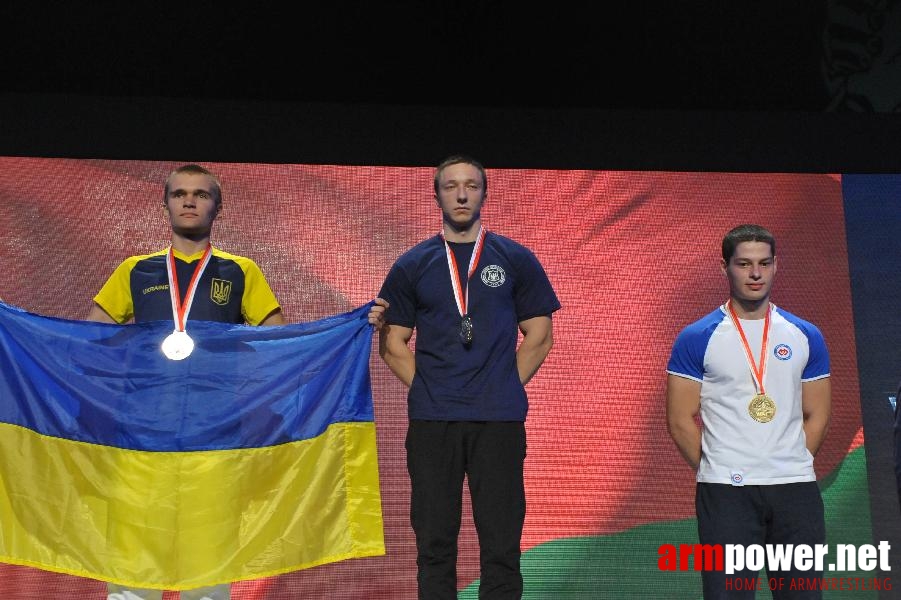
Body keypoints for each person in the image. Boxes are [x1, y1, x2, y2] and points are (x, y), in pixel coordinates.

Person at [88, 164, 284, 600]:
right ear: (165, 204)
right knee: (132, 569)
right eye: (179, 194)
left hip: (213, 439)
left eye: (200, 194)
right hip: (141, 436)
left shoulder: (241, 272)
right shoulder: (135, 271)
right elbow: (91, 341)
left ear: (218, 206)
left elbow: (278, 343)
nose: (189, 201)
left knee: (207, 578)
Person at [372, 154, 560, 599]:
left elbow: (539, 335)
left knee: (501, 545)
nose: (461, 194)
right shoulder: (412, 264)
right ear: (436, 193)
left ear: (484, 193)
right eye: (450, 185)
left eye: (471, 186)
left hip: (499, 421)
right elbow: (392, 343)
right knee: (434, 543)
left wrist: (499, 385)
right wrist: (434, 389)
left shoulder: (515, 258)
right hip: (434, 423)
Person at [666, 224, 832, 599]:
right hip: (727, 495)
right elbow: (679, 419)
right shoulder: (697, 337)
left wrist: (792, 461)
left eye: (764, 263)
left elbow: (818, 414)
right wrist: (719, 468)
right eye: (744, 264)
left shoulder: (805, 335)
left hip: (795, 491)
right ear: (724, 266)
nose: (755, 273)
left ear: (776, 266)